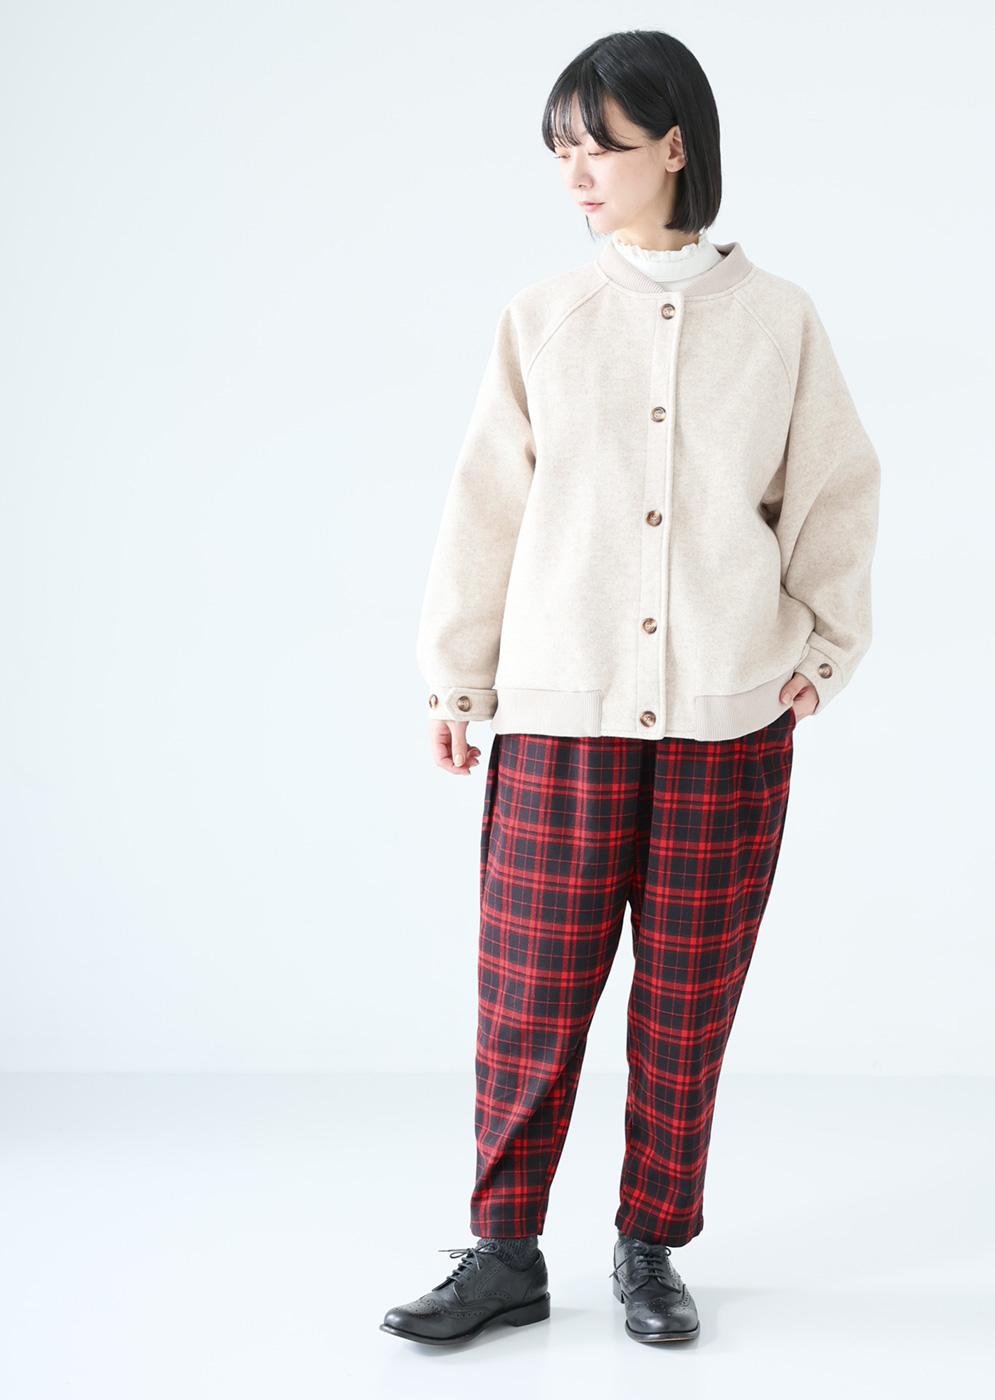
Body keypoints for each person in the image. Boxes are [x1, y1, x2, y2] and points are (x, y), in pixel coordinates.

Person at [380, 28, 881, 1348]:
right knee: (530, 993)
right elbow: (485, 507)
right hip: (563, 711)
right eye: (560, 151)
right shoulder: (543, 319)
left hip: (730, 715)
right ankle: (505, 1250)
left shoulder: (778, 322)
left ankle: (650, 1243)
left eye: (596, 147)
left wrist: (823, 649)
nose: (575, 175)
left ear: (672, 146)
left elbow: (834, 489)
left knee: (688, 1001)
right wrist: (455, 684)